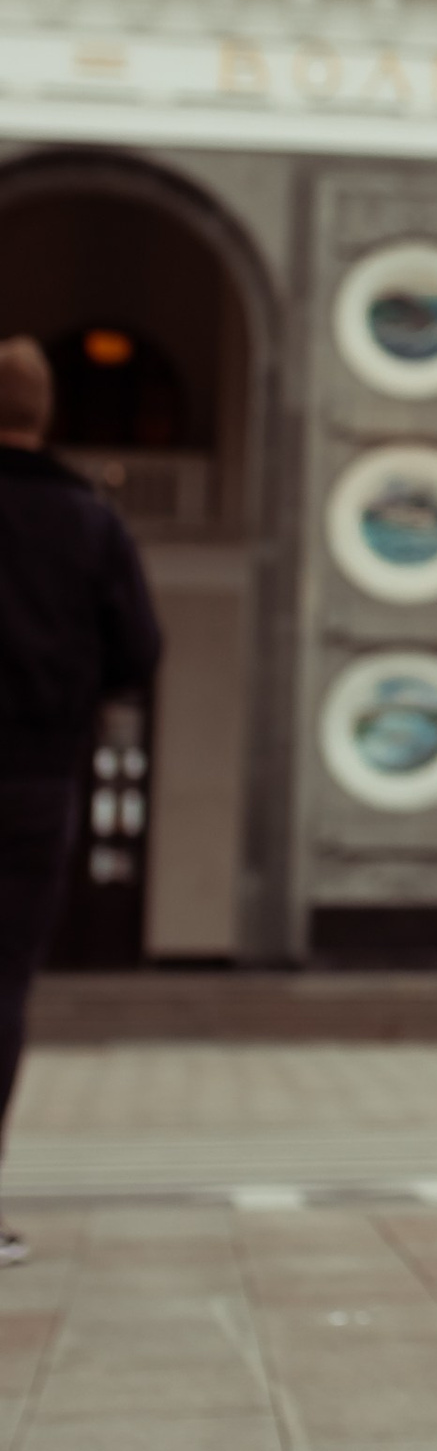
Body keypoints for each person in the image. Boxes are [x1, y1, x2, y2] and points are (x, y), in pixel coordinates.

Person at [0, 335, 162, 1260]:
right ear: (44, 415)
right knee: (2, 983)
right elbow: (139, 649)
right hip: (30, 773)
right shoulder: (85, 520)